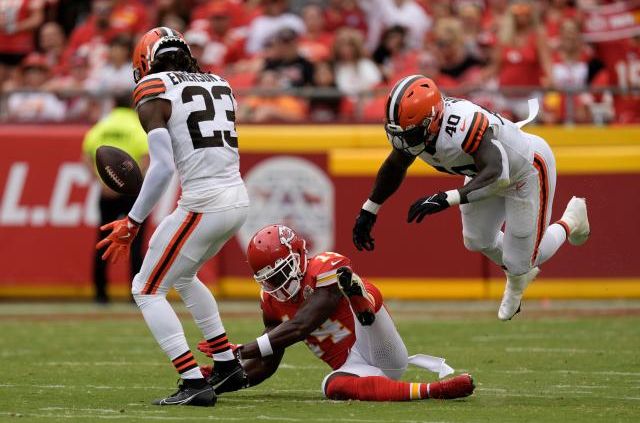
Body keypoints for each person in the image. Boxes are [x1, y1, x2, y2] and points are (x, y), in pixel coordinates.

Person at [351, 75, 591, 321]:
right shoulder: (420, 133)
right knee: (476, 239)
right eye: (397, 133)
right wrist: (370, 209)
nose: (402, 141)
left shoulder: (462, 125)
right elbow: (395, 165)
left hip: (525, 171)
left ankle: (571, 221)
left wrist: (446, 198)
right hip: (483, 173)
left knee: (521, 262)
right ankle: (518, 275)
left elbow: (498, 172)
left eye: (409, 133)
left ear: (432, 120)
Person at [96, 27, 250, 407]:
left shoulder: (153, 88)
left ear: (146, 62)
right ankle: (227, 363)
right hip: (236, 197)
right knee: (182, 275)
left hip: (204, 202)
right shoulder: (220, 81)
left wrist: (131, 221)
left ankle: (192, 380)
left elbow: (163, 167)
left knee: (145, 289)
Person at [197, 224, 475, 401]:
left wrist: (239, 351)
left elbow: (303, 325)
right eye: (270, 280)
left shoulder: (324, 268)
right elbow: (266, 364)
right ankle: (434, 391)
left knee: (360, 287)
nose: (278, 285)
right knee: (331, 386)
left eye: (281, 274)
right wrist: (225, 377)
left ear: (298, 256)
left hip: (379, 346)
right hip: (355, 368)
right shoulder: (270, 302)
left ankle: (359, 298)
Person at [82, 93, 149, 304]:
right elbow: (146, 159)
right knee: (136, 243)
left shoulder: (102, 126)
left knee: (102, 241)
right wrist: (127, 184)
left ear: (112, 103)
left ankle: (100, 294)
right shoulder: (137, 127)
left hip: (106, 192)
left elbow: (86, 156)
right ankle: (135, 294)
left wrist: (104, 182)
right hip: (133, 194)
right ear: (132, 104)